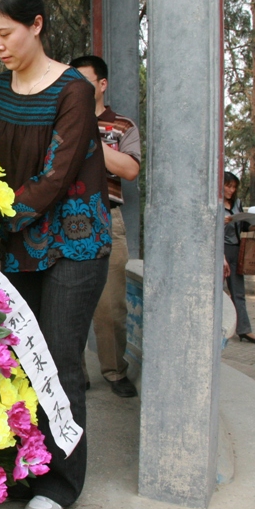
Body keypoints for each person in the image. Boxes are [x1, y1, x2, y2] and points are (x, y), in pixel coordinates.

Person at [0, 0, 111, 509]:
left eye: (6, 33)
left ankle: (61, 480)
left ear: (37, 24)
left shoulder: (73, 90)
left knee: (58, 359)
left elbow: (55, 178)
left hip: (73, 247)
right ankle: (19, 467)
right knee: (13, 361)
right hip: (16, 244)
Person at [69, 55, 140, 399]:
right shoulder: (60, 120)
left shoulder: (122, 126)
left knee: (111, 304)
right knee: (66, 301)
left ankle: (114, 371)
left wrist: (85, 137)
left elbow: (128, 169)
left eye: (86, 81)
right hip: (66, 218)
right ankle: (75, 372)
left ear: (102, 84)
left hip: (107, 216)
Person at [223, 171, 255, 344]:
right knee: (217, 293)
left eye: (234, 187)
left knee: (238, 292)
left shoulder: (237, 204)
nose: (231, 190)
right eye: (228, 186)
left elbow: (242, 226)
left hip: (236, 249)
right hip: (221, 250)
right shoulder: (215, 203)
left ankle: (245, 330)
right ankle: (215, 329)